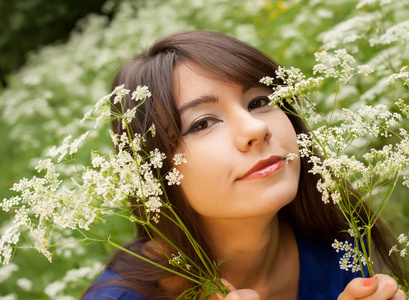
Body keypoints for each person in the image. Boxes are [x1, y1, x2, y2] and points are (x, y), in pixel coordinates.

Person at [82, 31, 407, 299]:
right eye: (202, 123)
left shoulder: (339, 231)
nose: (255, 128)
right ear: (156, 173)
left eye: (259, 101)